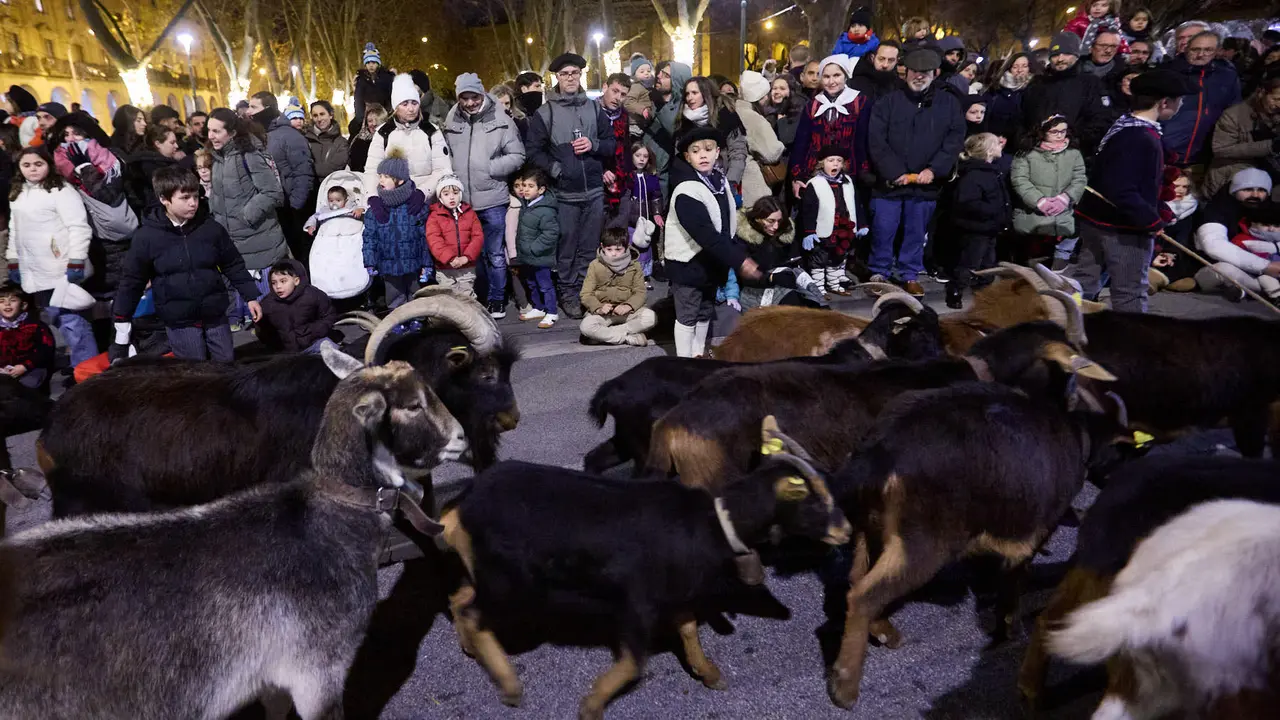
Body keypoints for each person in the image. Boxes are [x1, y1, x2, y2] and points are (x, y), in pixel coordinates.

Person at [1072, 69, 1195, 313]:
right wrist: (1150, 220)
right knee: (1130, 290)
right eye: (1179, 100)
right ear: (1164, 103)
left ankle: (1074, 321)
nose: (1181, 104)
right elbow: (1122, 187)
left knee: (1084, 281)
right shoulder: (1141, 137)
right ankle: (1131, 342)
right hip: (1124, 227)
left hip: (1097, 220)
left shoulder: (1125, 125)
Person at [110, 166, 261, 363]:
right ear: (165, 199)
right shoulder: (147, 237)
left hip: (214, 313)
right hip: (180, 320)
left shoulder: (210, 229)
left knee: (226, 366)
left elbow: (233, 264)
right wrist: (122, 319)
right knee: (194, 372)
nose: (193, 203)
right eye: (185, 198)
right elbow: (132, 281)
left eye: (196, 196)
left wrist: (250, 296)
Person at [866, 47, 966, 297]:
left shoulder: (948, 103)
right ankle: (880, 271)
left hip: (925, 183)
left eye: (925, 72)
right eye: (914, 71)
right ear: (905, 72)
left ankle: (909, 273)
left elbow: (954, 140)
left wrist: (934, 170)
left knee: (915, 231)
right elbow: (876, 139)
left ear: (936, 73)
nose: (919, 76)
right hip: (889, 182)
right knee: (884, 228)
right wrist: (893, 171)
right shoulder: (888, 100)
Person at [526, 52, 617, 319]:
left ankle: (584, 291)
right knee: (566, 247)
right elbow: (533, 152)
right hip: (565, 192)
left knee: (589, 247)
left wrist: (594, 145)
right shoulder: (546, 112)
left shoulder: (594, 107)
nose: (570, 78)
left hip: (593, 191)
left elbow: (611, 142)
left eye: (574, 73)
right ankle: (567, 291)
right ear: (556, 77)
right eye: (565, 74)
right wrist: (556, 169)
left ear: (581, 76)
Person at [664, 128, 761, 357]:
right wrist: (740, 260)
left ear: (718, 152)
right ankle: (684, 359)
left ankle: (699, 353)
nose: (703, 155)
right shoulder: (686, 189)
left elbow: (727, 222)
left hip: (711, 262)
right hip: (688, 262)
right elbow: (706, 234)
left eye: (708, 149)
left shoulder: (719, 181)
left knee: (705, 310)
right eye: (695, 151)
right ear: (687, 157)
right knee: (687, 312)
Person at [442, 72, 525, 317]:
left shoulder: (501, 119)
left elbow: (518, 155)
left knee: (496, 255)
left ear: (481, 93)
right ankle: (478, 297)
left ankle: (497, 300)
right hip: (463, 201)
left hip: (492, 199)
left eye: (474, 96)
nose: (470, 102)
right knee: (471, 256)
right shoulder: (451, 120)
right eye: (464, 98)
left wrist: (490, 169)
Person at [6, 146, 97, 367]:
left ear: (48, 164)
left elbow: (78, 227)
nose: (33, 169)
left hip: (60, 267)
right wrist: (13, 259)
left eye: (38, 164)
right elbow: (15, 230)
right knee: (58, 319)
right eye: (26, 165)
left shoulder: (61, 190)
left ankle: (87, 372)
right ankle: (80, 367)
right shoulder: (19, 194)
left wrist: (76, 260)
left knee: (73, 322)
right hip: (35, 269)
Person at [206, 107, 288, 326]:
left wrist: (246, 216)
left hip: (259, 242)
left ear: (232, 133)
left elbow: (272, 191)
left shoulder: (249, 154)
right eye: (209, 130)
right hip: (233, 243)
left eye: (216, 131)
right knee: (250, 315)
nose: (210, 136)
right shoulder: (217, 158)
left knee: (268, 311)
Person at [1010, 114, 1087, 269]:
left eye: (1063, 131)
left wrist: (1064, 199)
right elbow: (1019, 179)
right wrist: (1040, 201)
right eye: (1055, 131)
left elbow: (1080, 178)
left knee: (1053, 268)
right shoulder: (1027, 153)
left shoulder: (1073, 153)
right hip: (1032, 215)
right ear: (1043, 131)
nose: (1060, 135)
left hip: (1062, 216)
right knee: (1029, 263)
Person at [363, 74, 454, 204]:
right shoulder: (384, 133)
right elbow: (372, 170)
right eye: (405, 104)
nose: (411, 109)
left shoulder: (431, 131)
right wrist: (372, 197)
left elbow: (443, 169)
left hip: (426, 203)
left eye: (414, 103)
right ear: (396, 107)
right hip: (392, 203)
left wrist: (423, 192)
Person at [1193, 168, 1280, 302]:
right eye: (1248, 189)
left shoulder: (1269, 210)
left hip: (1271, 273)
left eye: (1261, 190)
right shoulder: (1217, 210)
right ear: (1234, 190)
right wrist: (1265, 266)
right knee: (1222, 270)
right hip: (1234, 270)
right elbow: (1214, 245)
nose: (1255, 195)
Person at [789, 54, 869, 200]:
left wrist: (864, 172)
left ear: (845, 76)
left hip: (849, 174)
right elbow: (802, 142)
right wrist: (797, 175)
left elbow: (864, 141)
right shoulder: (813, 105)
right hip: (815, 173)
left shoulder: (860, 102)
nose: (831, 81)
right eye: (826, 77)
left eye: (837, 75)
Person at [249, 92, 315, 264]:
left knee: (300, 254)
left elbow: (303, 172)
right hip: (273, 209)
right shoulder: (256, 136)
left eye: (254, 107)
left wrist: (295, 205)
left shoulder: (290, 136)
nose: (249, 112)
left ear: (268, 109)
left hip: (291, 209)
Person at [946, 133, 1010, 309]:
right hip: (976, 229)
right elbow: (967, 204)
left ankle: (984, 295)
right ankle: (955, 290)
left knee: (988, 265)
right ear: (989, 150)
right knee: (970, 263)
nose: (1001, 145)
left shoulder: (992, 170)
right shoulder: (974, 175)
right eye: (997, 143)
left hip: (989, 228)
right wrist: (992, 211)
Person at [1163, 31, 1242, 167]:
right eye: (1195, 49)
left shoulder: (1227, 77)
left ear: (1217, 51)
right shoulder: (1167, 72)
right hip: (1166, 152)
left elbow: (1233, 111)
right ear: (1186, 48)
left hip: (1205, 155)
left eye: (1208, 50)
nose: (1201, 55)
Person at [1022, 32, 1110, 154]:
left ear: (1076, 55)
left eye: (1067, 54)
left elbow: (1099, 120)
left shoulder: (1090, 83)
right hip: (1038, 153)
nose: (1060, 59)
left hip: (1074, 154)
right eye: (1055, 55)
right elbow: (1025, 116)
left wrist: (1072, 141)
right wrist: (1031, 140)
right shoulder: (1038, 83)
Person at [1204, 77, 1280, 200]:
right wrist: (1269, 146)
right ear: (1261, 92)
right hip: (1231, 178)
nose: (1279, 105)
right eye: (1276, 99)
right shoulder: (1234, 115)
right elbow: (1221, 149)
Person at [798, 145, 859, 296]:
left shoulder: (847, 182)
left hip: (843, 229)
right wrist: (809, 232)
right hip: (823, 230)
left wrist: (861, 224)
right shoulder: (815, 183)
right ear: (822, 163)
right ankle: (818, 288)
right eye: (831, 160)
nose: (836, 164)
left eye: (839, 161)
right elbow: (808, 210)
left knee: (837, 257)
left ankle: (834, 284)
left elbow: (856, 203)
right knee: (819, 260)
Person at [579, 228, 655, 346]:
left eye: (618, 249)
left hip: (627, 312)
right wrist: (598, 307)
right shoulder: (595, 265)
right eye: (609, 249)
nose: (613, 253)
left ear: (626, 247)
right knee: (586, 326)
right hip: (603, 313)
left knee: (650, 317)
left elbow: (640, 292)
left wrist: (629, 305)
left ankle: (605, 336)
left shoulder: (634, 265)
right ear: (602, 247)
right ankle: (627, 338)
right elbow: (586, 293)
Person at [255, 259, 337, 354]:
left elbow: (329, 315)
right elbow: (263, 331)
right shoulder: (267, 304)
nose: (278, 286)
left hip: (314, 342)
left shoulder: (313, 295)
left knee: (335, 355)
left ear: (296, 281)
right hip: (286, 351)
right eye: (274, 282)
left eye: (283, 281)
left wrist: (314, 331)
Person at [512, 165, 559, 328]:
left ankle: (552, 312)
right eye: (524, 186)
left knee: (545, 285)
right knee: (532, 283)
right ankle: (539, 308)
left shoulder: (546, 210)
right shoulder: (528, 205)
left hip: (540, 257)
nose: (525, 190)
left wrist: (534, 248)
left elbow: (551, 233)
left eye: (530, 186)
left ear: (541, 190)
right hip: (528, 257)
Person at [426, 174, 483, 298]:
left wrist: (466, 257)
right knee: (448, 299)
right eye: (446, 194)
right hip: (445, 268)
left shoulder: (469, 213)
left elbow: (477, 237)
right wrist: (450, 258)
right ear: (440, 197)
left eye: (455, 193)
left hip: (466, 267)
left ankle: (470, 317)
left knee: (467, 297)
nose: (451, 197)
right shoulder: (435, 216)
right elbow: (434, 241)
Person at [734, 71, 786, 208]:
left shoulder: (733, 111)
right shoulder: (754, 118)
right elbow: (771, 153)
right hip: (752, 183)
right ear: (760, 97)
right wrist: (781, 145)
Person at [0, 282, 54, 389]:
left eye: (13, 301)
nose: (7, 304)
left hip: (30, 369)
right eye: (2, 301)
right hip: (3, 370)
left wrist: (25, 366)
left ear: (23, 305)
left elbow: (45, 350)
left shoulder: (35, 326)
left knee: (27, 389)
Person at [124, 123, 186, 214]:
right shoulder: (152, 167)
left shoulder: (157, 162)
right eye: (172, 142)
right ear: (158, 144)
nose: (176, 146)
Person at [627, 142, 662, 284]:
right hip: (630, 219)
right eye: (638, 155)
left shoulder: (651, 178)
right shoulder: (628, 176)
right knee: (631, 246)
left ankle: (644, 276)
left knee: (645, 247)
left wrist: (657, 213)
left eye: (645, 156)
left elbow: (656, 197)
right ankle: (629, 276)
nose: (641, 159)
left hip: (646, 219)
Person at [352, 42, 394, 134]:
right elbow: (358, 99)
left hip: (385, 113)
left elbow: (391, 96)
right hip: (367, 115)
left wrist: (388, 113)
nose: (371, 65)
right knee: (353, 128)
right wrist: (360, 118)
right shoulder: (361, 80)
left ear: (378, 63)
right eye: (368, 63)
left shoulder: (386, 77)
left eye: (373, 62)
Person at [1064, 0, 1129, 55]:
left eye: (1103, 5)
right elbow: (1068, 37)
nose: (1097, 8)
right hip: (1080, 54)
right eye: (1094, 5)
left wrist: (1124, 51)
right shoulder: (1078, 23)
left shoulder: (1112, 24)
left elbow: (1120, 40)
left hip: (1104, 54)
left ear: (1111, 8)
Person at [305, 101, 348, 180]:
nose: (319, 119)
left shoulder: (341, 143)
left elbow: (334, 168)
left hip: (331, 187)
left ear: (330, 115)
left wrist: (308, 168)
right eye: (315, 115)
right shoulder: (305, 139)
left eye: (322, 114)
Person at [346, 103, 387, 173]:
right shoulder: (358, 141)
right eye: (370, 121)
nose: (374, 124)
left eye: (377, 120)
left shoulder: (390, 139)